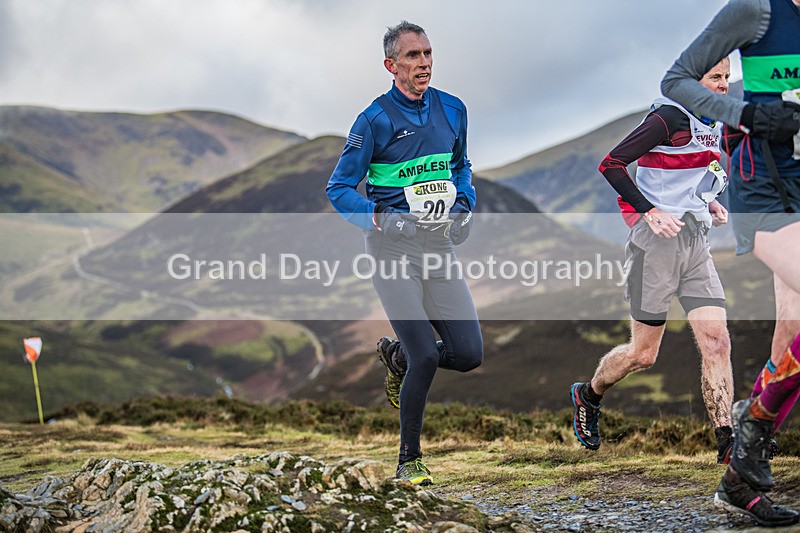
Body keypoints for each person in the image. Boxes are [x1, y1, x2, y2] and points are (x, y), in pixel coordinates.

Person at [326, 21, 483, 486]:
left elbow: (461, 166)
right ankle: (409, 460)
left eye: (428, 53)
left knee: (469, 354)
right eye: (413, 56)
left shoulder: (454, 109)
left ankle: (396, 359)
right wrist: (381, 216)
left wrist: (464, 204)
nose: (424, 63)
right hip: (391, 251)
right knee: (427, 357)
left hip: (437, 248)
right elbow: (338, 188)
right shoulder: (374, 119)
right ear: (391, 65)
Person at [661, 0, 800, 526]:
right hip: (765, 191)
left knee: (791, 337)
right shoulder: (757, 11)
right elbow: (676, 79)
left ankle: (739, 480)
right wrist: (746, 113)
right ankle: (752, 430)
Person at [571, 58, 735, 465]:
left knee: (717, 340)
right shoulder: (668, 117)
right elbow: (610, 164)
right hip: (654, 243)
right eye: (716, 78)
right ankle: (588, 394)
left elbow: (695, 171)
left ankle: (728, 444)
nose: (724, 86)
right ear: (693, 83)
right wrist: (650, 211)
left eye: (727, 77)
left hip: (695, 241)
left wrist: (708, 200)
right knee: (644, 355)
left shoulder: (714, 121)